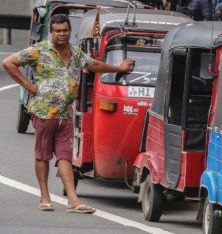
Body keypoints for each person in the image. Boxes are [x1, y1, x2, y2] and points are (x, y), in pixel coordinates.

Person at [2, 14, 135, 213]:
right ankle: (45, 197)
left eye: (65, 30)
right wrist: (29, 86)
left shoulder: (75, 53)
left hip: (65, 114)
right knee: (43, 155)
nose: (62, 34)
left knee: (65, 157)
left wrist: (118, 68)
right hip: (44, 112)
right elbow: (8, 62)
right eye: (58, 31)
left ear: (69, 32)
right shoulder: (39, 51)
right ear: (51, 32)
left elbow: (94, 65)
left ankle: (73, 201)